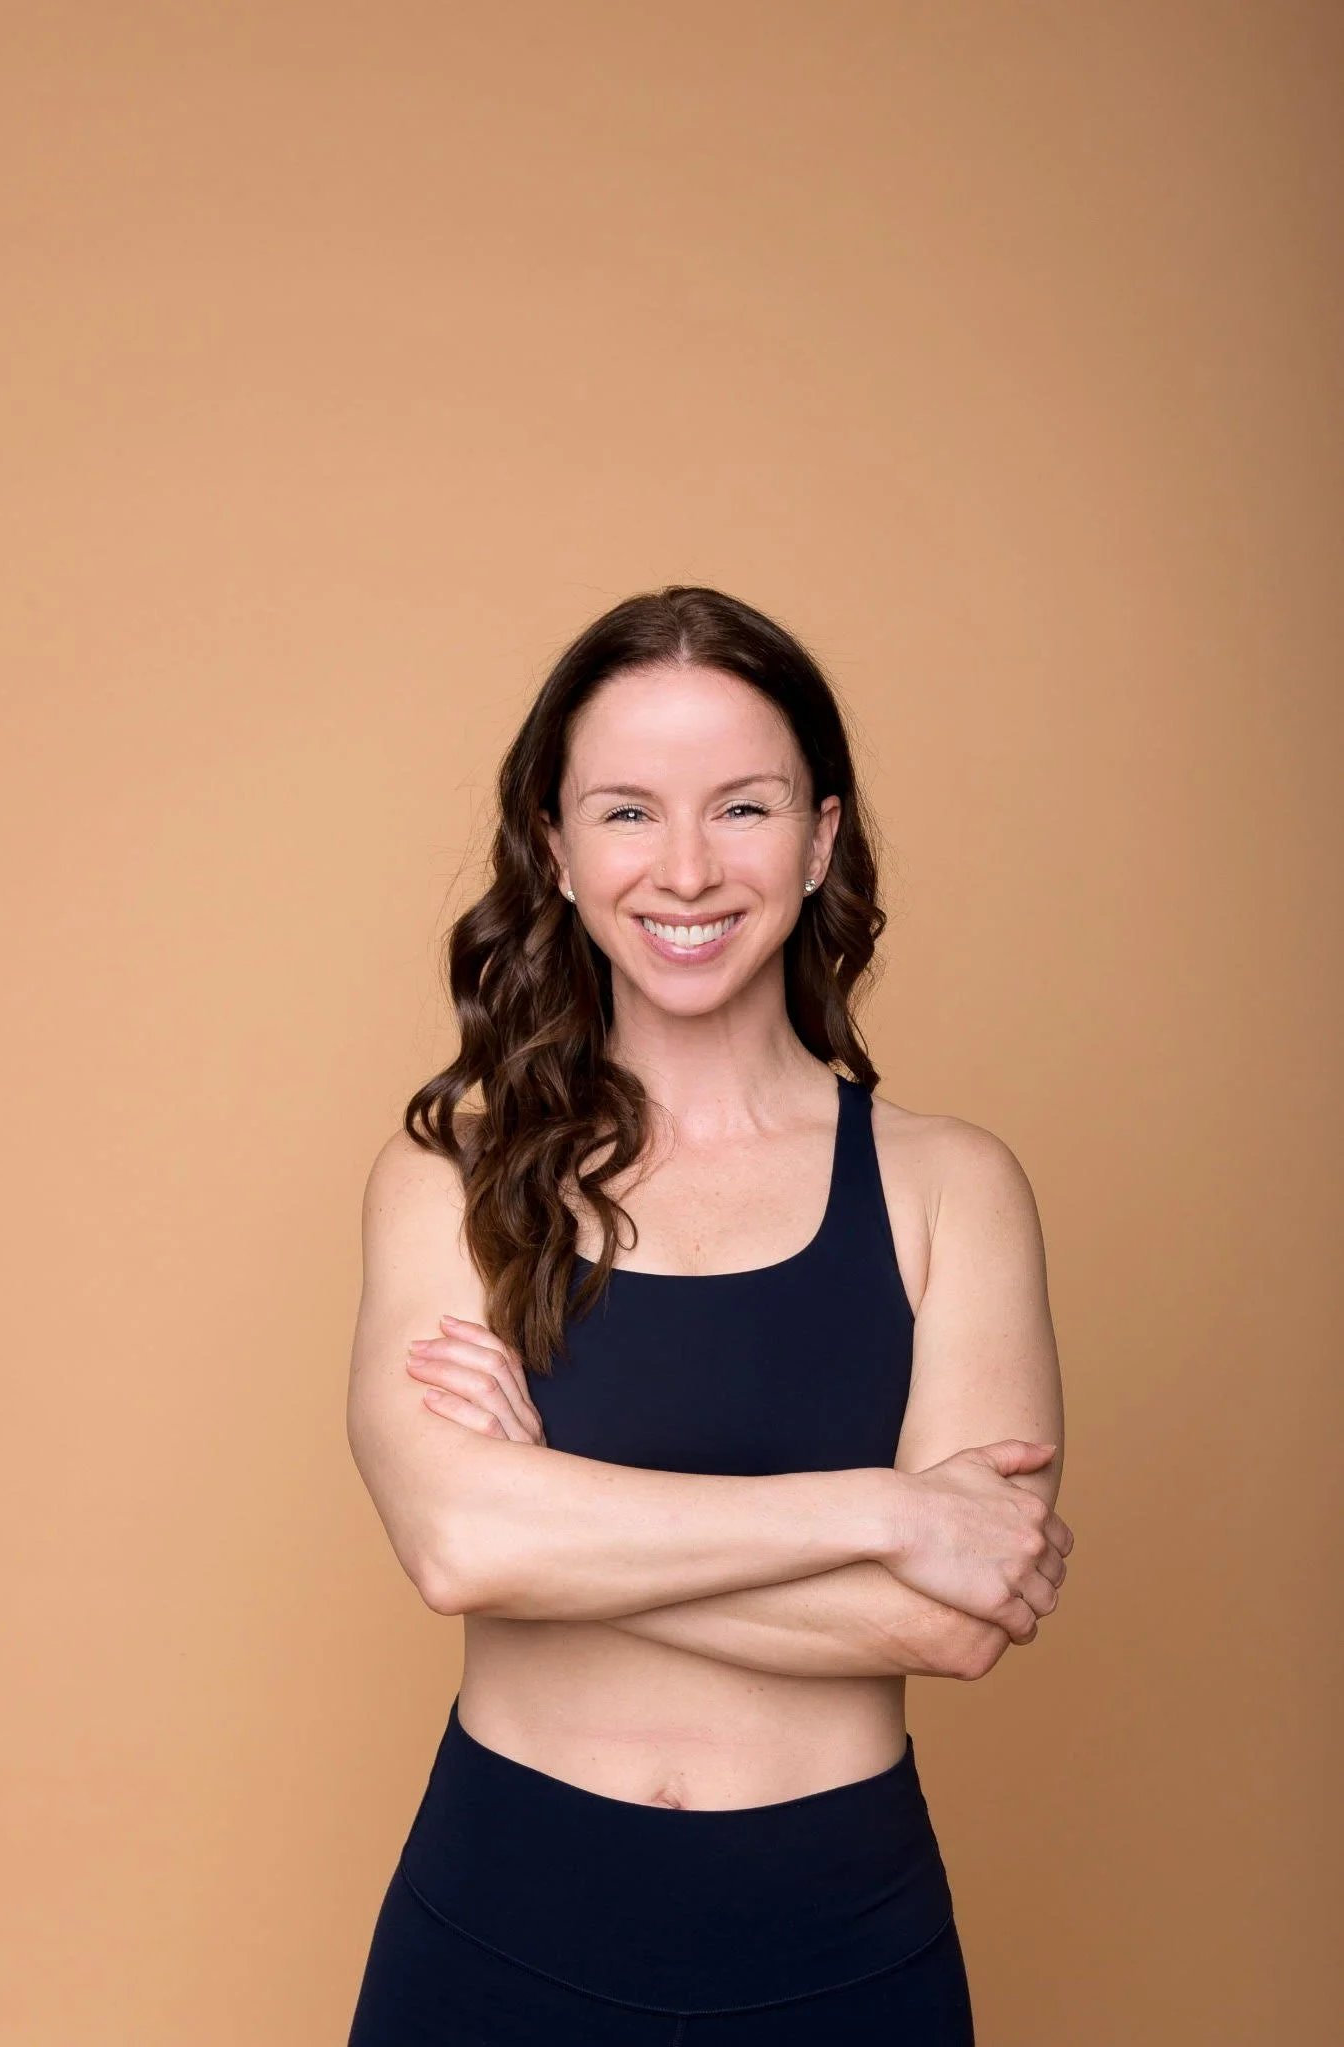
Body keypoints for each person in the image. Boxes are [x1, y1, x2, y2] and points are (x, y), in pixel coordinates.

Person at [344, 585, 1073, 2044]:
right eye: (627, 811)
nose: (685, 869)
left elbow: (955, 1614)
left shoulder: (952, 1186)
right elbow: (461, 1543)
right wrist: (883, 1506)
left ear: (820, 840)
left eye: (742, 807)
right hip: (497, 1935)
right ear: (552, 848)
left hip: (842, 1948)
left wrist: (563, 1517)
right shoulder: (453, 1174)